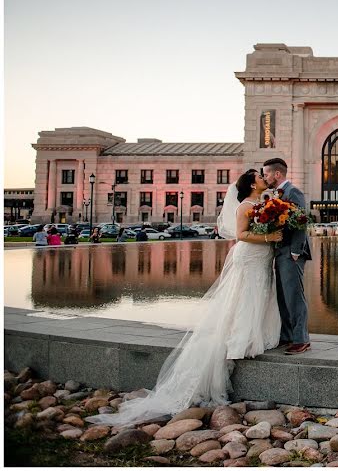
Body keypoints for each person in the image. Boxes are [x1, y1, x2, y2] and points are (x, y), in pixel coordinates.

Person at [85, 169, 282, 426]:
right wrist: (269, 236)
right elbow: (241, 234)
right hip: (250, 255)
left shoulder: (263, 201)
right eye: (258, 175)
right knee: (244, 297)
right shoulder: (245, 205)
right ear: (250, 184)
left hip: (261, 257)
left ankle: (255, 334)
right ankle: (241, 338)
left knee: (257, 295)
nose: (262, 177)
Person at [261, 157, 312, 355]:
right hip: (280, 251)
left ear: (277, 174)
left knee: (294, 296)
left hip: (292, 252)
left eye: (266, 174)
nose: (265, 178)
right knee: (283, 296)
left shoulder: (293, 192)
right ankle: (288, 335)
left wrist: (295, 251)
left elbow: (301, 220)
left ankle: (301, 340)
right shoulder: (275, 194)